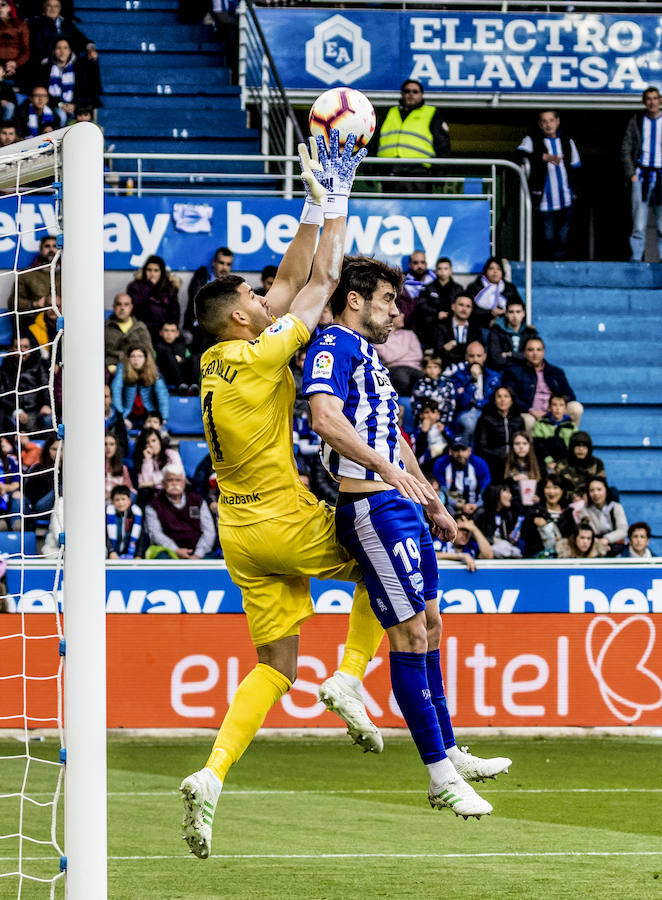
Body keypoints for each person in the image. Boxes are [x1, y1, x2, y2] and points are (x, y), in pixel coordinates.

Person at [179, 132, 389, 859]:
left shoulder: (217, 358)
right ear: (241, 316)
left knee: (275, 665)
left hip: (238, 535)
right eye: (249, 293)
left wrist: (305, 203)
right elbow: (322, 283)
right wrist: (337, 196)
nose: (260, 294)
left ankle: (212, 775)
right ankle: (351, 680)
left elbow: (288, 279)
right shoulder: (261, 349)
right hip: (281, 516)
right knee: (380, 562)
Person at [304, 254, 509, 819]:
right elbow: (324, 417)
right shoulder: (333, 346)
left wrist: (431, 498)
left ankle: (450, 750)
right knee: (411, 635)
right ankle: (438, 775)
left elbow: (395, 439)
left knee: (434, 624)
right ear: (355, 300)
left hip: (402, 503)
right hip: (371, 506)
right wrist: (387, 472)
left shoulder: (370, 356)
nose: (396, 310)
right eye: (388, 300)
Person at [517, 109, 581, 260]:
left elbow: (576, 166)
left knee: (564, 235)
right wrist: (542, 156)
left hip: (566, 197)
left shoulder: (567, 141)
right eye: (544, 121)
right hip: (544, 198)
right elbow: (518, 155)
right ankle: (549, 263)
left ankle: (560, 264)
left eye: (551, 120)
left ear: (557, 122)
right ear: (540, 124)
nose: (548, 125)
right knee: (548, 237)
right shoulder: (532, 140)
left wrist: (576, 191)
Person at [375, 79, 450, 193]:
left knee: (419, 210)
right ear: (402, 94)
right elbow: (373, 141)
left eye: (415, 92)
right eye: (407, 91)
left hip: (419, 174)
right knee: (392, 210)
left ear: (421, 95)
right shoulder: (388, 112)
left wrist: (440, 174)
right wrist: (370, 168)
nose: (411, 94)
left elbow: (443, 147)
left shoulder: (432, 113)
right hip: (390, 173)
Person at [502, 336, 582, 435]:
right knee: (528, 421)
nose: (535, 353)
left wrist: (555, 408)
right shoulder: (514, 372)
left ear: (543, 352)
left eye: (538, 350)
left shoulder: (555, 372)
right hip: (530, 412)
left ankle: (569, 441)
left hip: (553, 410)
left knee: (576, 408)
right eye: (531, 350)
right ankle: (532, 449)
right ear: (524, 352)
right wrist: (531, 410)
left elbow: (569, 395)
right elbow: (512, 398)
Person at [621, 86, 662, 262]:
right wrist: (632, 173)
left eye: (655, 98)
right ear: (644, 102)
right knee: (638, 222)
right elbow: (626, 148)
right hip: (642, 175)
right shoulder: (637, 120)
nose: (652, 102)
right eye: (648, 99)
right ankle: (637, 259)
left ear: (660, 101)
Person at [144, 463, 215, 558]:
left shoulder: (198, 501)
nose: (174, 483)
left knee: (215, 562)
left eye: (178, 480)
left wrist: (198, 554)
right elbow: (155, 534)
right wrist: (176, 550)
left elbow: (209, 531)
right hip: (169, 551)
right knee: (162, 559)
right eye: (170, 480)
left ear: (184, 483)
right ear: (163, 484)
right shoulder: (153, 505)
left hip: (199, 552)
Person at [445, 341, 501, 445]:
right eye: (472, 356)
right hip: (467, 412)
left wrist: (480, 403)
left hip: (489, 412)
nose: (475, 359)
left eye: (478, 356)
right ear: (466, 357)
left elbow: (495, 401)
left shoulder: (494, 376)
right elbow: (462, 403)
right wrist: (472, 380)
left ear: (484, 357)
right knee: (470, 423)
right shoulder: (458, 377)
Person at [184, 245, 233, 348]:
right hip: (200, 327)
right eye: (221, 263)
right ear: (214, 262)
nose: (224, 268)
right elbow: (197, 303)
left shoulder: (233, 285)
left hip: (222, 328)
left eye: (228, 264)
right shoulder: (201, 278)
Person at [111, 344, 169, 431]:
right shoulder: (122, 368)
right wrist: (120, 417)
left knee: (159, 430)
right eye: (132, 356)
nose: (136, 359)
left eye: (140, 356)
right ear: (128, 358)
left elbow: (162, 393)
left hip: (148, 413)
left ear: (145, 358)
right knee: (119, 429)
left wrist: (163, 417)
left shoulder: (153, 369)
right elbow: (116, 390)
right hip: (127, 414)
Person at [0, 336, 52, 433]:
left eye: (25, 347)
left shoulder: (39, 364)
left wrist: (46, 404)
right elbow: (2, 394)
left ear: (30, 349)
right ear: (12, 349)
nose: (22, 350)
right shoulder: (5, 367)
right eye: (17, 347)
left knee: (49, 420)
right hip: (13, 412)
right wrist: (16, 411)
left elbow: (46, 386)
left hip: (37, 411)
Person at [474, 386, 525, 483]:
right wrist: (501, 454)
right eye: (499, 397)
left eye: (506, 396)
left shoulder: (518, 419)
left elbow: (523, 441)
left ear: (512, 400)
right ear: (494, 400)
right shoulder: (486, 419)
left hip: (515, 457)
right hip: (494, 459)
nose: (503, 400)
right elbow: (481, 447)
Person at [432, 437, 492, 517]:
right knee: (445, 511)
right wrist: (459, 505)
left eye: (463, 450)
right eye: (456, 450)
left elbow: (486, 491)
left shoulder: (479, 464)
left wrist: (476, 505)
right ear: (450, 451)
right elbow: (441, 492)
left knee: (483, 512)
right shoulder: (441, 464)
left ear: (469, 451)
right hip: (451, 506)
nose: (460, 454)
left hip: (475, 506)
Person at [40, 37, 93, 127]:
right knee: (62, 116)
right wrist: (60, 105)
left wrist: (74, 105)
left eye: (65, 48)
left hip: (74, 106)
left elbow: (83, 91)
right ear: (54, 51)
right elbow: (43, 92)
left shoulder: (77, 69)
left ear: (70, 51)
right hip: (52, 105)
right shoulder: (46, 68)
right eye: (59, 48)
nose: (62, 52)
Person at [412, 257, 463, 348]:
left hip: (452, 321)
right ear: (436, 271)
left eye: (446, 268)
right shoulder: (428, 288)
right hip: (433, 323)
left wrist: (450, 314)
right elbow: (422, 305)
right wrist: (437, 313)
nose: (443, 271)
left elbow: (462, 306)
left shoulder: (458, 289)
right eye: (440, 269)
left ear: (451, 270)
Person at [126, 255, 181, 342]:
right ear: (144, 271)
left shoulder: (170, 288)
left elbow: (175, 312)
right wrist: (149, 287)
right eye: (149, 270)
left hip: (163, 331)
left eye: (156, 270)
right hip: (142, 328)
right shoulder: (135, 287)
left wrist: (170, 331)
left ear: (161, 272)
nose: (152, 274)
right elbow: (134, 308)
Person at [521, 473, 575, 558]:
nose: (551, 491)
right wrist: (533, 522)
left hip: (562, 558)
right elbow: (524, 536)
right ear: (543, 490)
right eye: (548, 487)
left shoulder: (568, 512)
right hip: (538, 559)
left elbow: (573, 537)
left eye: (555, 487)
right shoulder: (534, 511)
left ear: (562, 491)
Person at [465, 258, 523, 330]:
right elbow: (469, 309)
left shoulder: (509, 288)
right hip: (481, 326)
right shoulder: (475, 287)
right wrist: (490, 312)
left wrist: (505, 312)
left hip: (506, 325)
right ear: (486, 271)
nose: (495, 272)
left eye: (498, 269)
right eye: (491, 268)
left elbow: (519, 307)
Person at [104, 292, 153, 378]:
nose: (122, 308)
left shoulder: (140, 327)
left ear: (131, 307)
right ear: (114, 307)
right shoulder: (105, 328)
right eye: (119, 304)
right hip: (112, 368)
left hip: (138, 366)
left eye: (126, 305)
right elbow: (102, 353)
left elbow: (148, 350)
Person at [375, 311, 423, 396]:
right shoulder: (379, 337)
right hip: (395, 369)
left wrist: (396, 356)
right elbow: (387, 357)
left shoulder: (409, 334)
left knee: (425, 379)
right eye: (400, 313)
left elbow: (418, 355)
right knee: (402, 379)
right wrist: (407, 350)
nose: (403, 315)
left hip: (414, 368)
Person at [9, 234, 60, 313]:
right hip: (36, 318)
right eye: (47, 246)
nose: (51, 249)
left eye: (55, 246)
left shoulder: (68, 274)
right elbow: (12, 302)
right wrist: (34, 304)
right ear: (41, 250)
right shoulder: (26, 274)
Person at [486, 297, 537, 372]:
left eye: (518, 312)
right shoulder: (496, 331)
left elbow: (532, 356)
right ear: (506, 314)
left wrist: (510, 354)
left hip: (525, 373)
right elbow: (496, 358)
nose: (515, 316)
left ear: (523, 313)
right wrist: (520, 358)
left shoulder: (530, 332)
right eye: (511, 312)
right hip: (503, 372)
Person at [474, 484, 525, 558]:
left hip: (503, 548)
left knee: (516, 551)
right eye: (506, 492)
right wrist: (493, 540)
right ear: (496, 493)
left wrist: (510, 537)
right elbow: (474, 536)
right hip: (485, 549)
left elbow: (505, 538)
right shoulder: (481, 513)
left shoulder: (507, 515)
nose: (510, 495)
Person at [581, 476, 628, 557]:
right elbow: (585, 532)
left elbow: (623, 530)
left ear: (606, 491)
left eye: (599, 489)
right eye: (592, 490)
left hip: (616, 546)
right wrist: (598, 543)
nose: (595, 493)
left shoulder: (616, 507)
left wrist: (606, 539)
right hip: (594, 548)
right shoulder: (584, 511)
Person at [432, 294, 481, 369]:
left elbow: (476, 352)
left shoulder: (476, 329)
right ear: (453, 307)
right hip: (446, 367)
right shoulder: (441, 326)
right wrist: (465, 349)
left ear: (471, 310)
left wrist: (453, 345)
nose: (464, 309)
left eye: (468, 306)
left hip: (469, 368)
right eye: (461, 305)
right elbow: (438, 352)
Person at [132, 426, 182, 498]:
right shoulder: (142, 458)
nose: (151, 445)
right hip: (153, 492)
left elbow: (175, 475)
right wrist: (147, 460)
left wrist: (152, 482)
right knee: (144, 492)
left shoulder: (172, 454)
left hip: (171, 488)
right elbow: (144, 481)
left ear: (160, 441)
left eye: (154, 440)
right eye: (147, 442)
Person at [532, 394, 577, 472]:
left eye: (561, 405)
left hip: (565, 462)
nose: (557, 408)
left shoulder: (571, 426)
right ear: (549, 408)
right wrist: (549, 461)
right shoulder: (541, 423)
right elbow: (538, 445)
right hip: (546, 460)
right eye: (554, 405)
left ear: (565, 409)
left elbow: (573, 447)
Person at [555, 430, 606, 497]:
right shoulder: (561, 465)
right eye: (577, 446)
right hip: (568, 502)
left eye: (584, 446)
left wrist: (588, 496)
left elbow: (601, 486)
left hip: (592, 500)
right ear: (572, 448)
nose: (581, 449)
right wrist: (574, 497)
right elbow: (556, 489)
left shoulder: (597, 463)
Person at [154, 320, 197, 393]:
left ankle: (194, 385)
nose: (169, 334)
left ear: (177, 333)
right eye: (166, 330)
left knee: (195, 357)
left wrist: (182, 360)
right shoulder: (156, 346)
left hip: (183, 374)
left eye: (172, 331)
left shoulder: (182, 346)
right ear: (160, 332)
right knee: (170, 356)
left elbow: (188, 361)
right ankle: (180, 385)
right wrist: (175, 358)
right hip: (166, 375)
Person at [411, 355, 455, 424]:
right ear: (424, 369)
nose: (432, 370)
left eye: (435, 367)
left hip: (443, 421)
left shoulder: (447, 384)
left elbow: (451, 403)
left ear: (440, 369)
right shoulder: (419, 384)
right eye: (429, 367)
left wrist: (443, 420)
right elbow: (415, 403)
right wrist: (422, 417)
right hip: (424, 420)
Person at [503, 431, 542, 506]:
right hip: (510, 505)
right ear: (512, 446)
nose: (521, 447)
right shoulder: (503, 463)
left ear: (529, 445)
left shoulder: (539, 464)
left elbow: (543, 488)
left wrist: (539, 498)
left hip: (531, 505)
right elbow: (497, 487)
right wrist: (513, 479)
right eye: (517, 444)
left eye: (524, 443)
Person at [398, 250, 435, 325]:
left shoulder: (434, 279)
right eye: (415, 263)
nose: (419, 266)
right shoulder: (401, 281)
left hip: (431, 325)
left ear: (426, 264)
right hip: (407, 325)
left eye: (422, 262)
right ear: (410, 264)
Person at [106, 484, 143, 560]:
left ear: (129, 500)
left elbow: (140, 537)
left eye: (123, 499)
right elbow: (105, 536)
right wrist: (111, 551)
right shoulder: (107, 514)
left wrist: (138, 555)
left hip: (130, 555)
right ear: (112, 501)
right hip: (111, 555)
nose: (120, 503)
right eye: (117, 500)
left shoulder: (135, 515)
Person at [0, 0, 29, 92]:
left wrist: (15, 63)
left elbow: (26, 51)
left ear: (9, 7)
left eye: (3, 5)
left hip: (17, 66)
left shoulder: (20, 25)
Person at [0, 435, 21, 530]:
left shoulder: (10, 460)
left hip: (8, 493)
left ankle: (16, 525)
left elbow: (16, 484)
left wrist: (3, 487)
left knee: (17, 495)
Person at [104, 431, 132, 500]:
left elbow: (128, 489)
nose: (108, 448)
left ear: (116, 446)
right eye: (105, 444)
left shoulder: (123, 468)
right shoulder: (93, 469)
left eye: (111, 444)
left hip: (117, 503)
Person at [104, 383, 128, 458]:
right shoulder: (88, 420)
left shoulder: (118, 418)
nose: (102, 400)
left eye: (105, 396)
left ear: (111, 399)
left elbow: (123, 446)